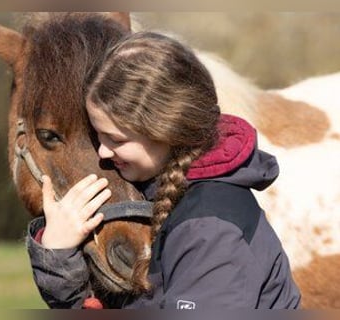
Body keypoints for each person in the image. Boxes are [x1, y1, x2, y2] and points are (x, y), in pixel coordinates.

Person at [26, 31, 301, 309]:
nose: (103, 152)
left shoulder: (208, 229)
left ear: (166, 131)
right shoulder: (161, 197)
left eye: (116, 140)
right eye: (98, 137)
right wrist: (58, 256)